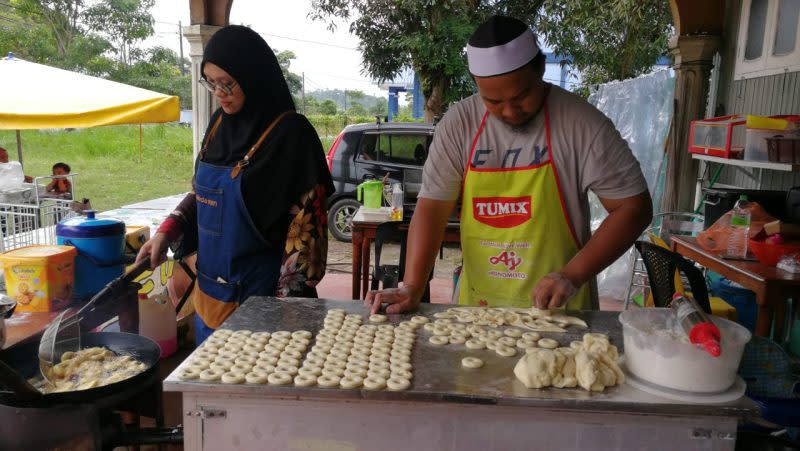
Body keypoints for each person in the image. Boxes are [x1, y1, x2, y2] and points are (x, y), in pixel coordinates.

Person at [366, 16, 652, 314]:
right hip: (478, 308)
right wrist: (411, 285)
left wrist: (572, 275)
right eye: (493, 101)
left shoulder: (582, 123)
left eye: (522, 96)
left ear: (541, 69)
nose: (510, 111)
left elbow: (634, 208)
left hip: (562, 310)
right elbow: (432, 208)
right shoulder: (459, 124)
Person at [136, 25, 334, 344]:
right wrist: (168, 230)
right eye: (211, 82)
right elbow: (201, 194)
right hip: (210, 301)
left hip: (268, 308)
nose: (219, 93)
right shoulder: (217, 127)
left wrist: (284, 322)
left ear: (254, 75)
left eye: (227, 83)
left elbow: (307, 236)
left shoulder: (291, 136)